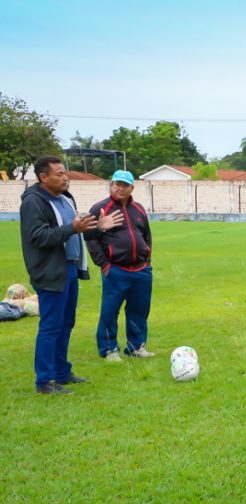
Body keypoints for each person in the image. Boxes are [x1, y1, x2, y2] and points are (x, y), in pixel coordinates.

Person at [19, 155, 122, 394]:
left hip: (70, 268)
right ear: (43, 177)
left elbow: (76, 227)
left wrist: (98, 225)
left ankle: (62, 372)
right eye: (59, 174)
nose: (65, 177)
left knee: (66, 323)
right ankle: (44, 381)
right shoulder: (33, 202)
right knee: (51, 326)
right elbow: (39, 237)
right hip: (51, 271)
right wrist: (72, 228)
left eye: (65, 173)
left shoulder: (64, 199)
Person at [85, 170, 155, 361]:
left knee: (139, 309)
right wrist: (104, 265)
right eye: (116, 184)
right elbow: (90, 239)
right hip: (116, 270)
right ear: (110, 185)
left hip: (141, 270)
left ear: (132, 188)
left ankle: (136, 347)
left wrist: (147, 259)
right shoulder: (100, 209)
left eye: (124, 185)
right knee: (110, 310)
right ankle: (109, 349)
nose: (120, 188)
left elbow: (146, 236)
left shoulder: (139, 209)